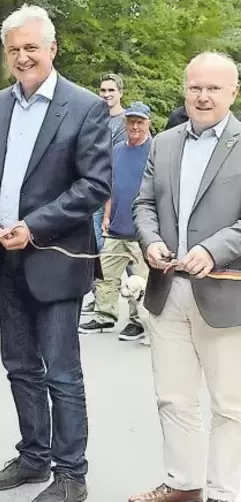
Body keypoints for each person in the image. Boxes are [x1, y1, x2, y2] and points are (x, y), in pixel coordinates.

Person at [0, 6, 111, 501]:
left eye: (32, 47)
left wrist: (32, 226)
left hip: (54, 260)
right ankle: (34, 457)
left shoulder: (84, 106)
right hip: (5, 257)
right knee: (20, 366)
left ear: (52, 49)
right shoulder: (3, 103)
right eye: (15, 50)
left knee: (61, 371)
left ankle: (71, 474)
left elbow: (94, 185)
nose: (23, 57)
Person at [130, 51, 241, 502]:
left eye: (213, 88)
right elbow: (143, 205)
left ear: (233, 92)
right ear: (184, 89)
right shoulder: (165, 142)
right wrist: (151, 240)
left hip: (223, 294)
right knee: (173, 398)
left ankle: (224, 493)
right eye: (195, 86)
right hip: (165, 290)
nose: (202, 95)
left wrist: (213, 249)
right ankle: (183, 484)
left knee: (230, 406)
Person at [79, 101, 152, 341]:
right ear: (125, 123)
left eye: (140, 122)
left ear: (148, 124)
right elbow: (110, 186)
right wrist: (107, 216)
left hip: (141, 229)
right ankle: (104, 315)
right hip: (116, 226)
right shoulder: (117, 150)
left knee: (140, 280)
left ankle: (137, 322)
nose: (135, 126)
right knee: (105, 274)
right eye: (131, 122)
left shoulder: (155, 150)